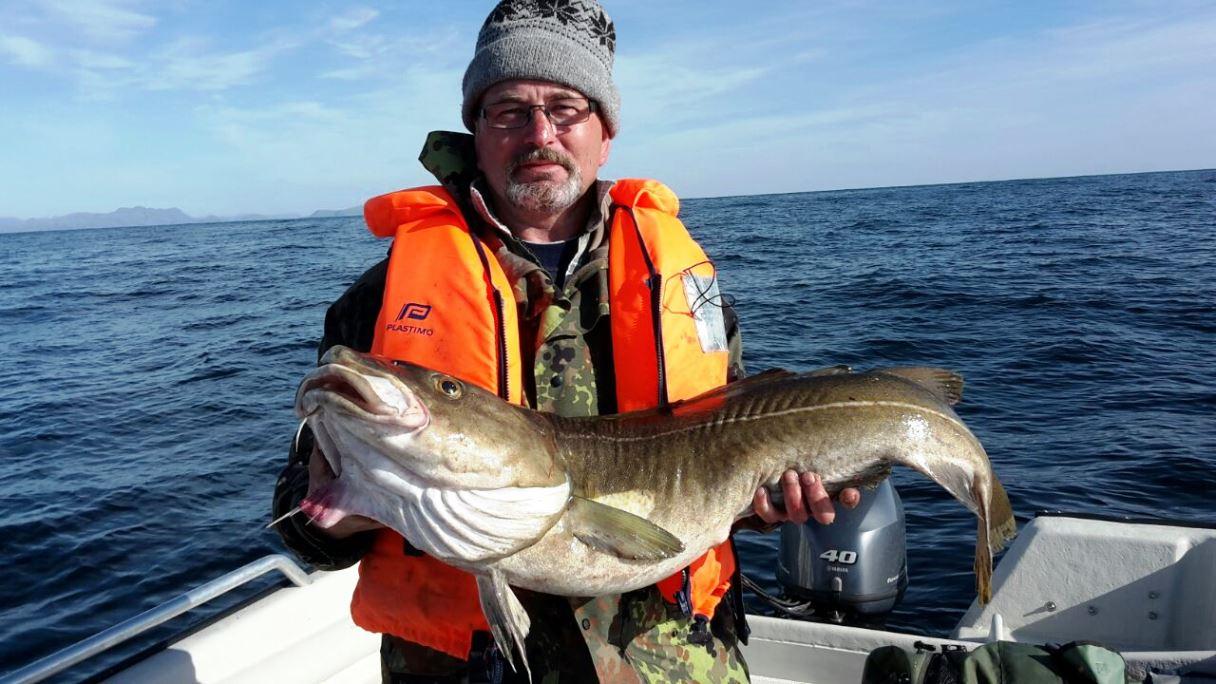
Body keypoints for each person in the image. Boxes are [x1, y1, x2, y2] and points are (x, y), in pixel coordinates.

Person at [273, 1, 858, 681]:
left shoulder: (684, 285)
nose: (539, 134)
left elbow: (728, 455)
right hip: (460, 664)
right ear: (476, 131)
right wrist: (335, 512)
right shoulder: (378, 303)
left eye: (566, 109)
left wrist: (769, 506)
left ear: (604, 134)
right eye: (509, 111)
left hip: (671, 652)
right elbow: (298, 519)